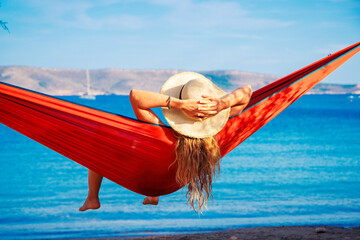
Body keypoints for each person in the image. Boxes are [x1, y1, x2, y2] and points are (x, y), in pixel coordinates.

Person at [79, 72, 253, 212]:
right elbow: (247, 92)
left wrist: (180, 105)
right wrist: (222, 104)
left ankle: (92, 197)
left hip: (145, 180)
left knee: (99, 144)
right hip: (171, 180)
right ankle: (152, 195)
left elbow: (135, 96)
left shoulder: (161, 134)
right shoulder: (217, 135)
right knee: (156, 159)